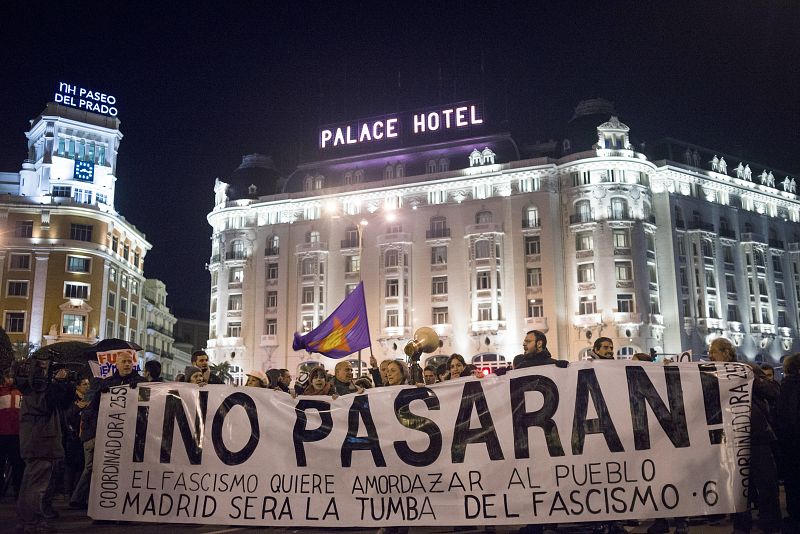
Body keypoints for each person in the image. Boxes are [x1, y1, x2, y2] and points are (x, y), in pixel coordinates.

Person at [709, 338, 781, 534]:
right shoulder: (711, 374)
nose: (710, 355)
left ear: (726, 352)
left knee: (765, 482)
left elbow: (773, 392)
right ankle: (741, 526)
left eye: (713, 351)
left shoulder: (746, 368)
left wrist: (750, 379)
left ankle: (770, 523)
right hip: (731, 438)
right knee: (738, 486)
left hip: (756, 435)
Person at [70, 351, 144, 509]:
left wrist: (140, 389)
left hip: (131, 434)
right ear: (116, 364)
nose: (127, 365)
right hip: (109, 434)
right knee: (98, 467)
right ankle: (85, 499)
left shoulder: (141, 383)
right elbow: (92, 409)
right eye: (123, 362)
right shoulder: (107, 383)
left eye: (129, 362)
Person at [16, 363, 74, 533]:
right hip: (40, 446)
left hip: (42, 445)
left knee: (33, 485)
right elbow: (48, 403)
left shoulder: (36, 392)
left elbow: (62, 403)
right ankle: (32, 522)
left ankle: (29, 520)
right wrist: (59, 383)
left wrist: (66, 385)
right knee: (36, 487)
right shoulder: (33, 393)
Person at [778, 353, 800, 532]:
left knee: (792, 484)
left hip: (788, 445)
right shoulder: (794, 387)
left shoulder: (784, 387)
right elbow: (793, 417)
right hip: (794, 444)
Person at [62, 377, 90, 497]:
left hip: (83, 435)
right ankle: (67, 491)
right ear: (77, 386)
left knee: (81, 464)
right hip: (72, 436)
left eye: (88, 384)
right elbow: (68, 416)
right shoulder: (71, 399)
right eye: (84, 384)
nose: (87, 386)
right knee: (71, 465)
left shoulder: (89, 399)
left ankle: (75, 491)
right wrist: (79, 407)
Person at [0, 369, 24, 500]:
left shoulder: (20, 393)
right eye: (7, 377)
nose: (10, 380)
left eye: (11, 377)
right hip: (2, 435)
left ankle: (18, 489)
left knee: (18, 464)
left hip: (16, 434)